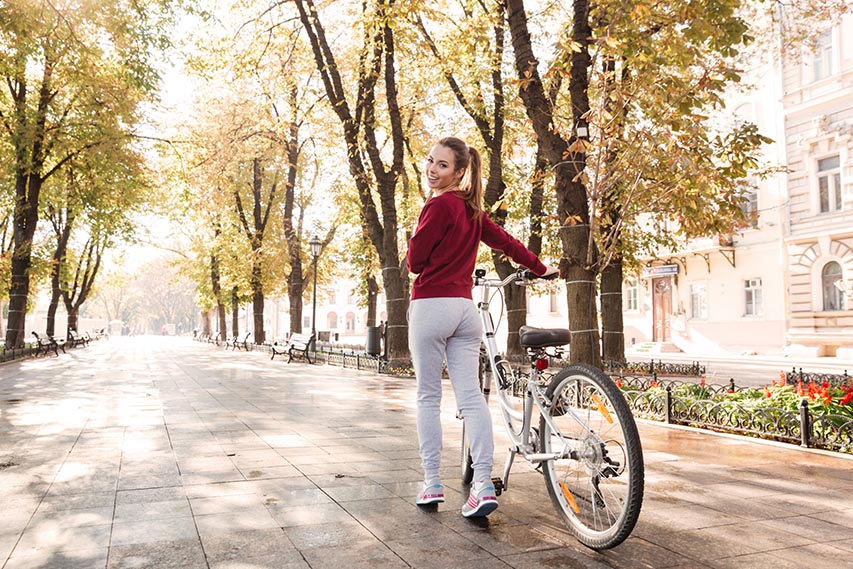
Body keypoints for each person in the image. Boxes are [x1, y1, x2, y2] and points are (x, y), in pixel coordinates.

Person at [406, 136, 559, 518]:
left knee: (428, 397)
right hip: (464, 310)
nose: (432, 169)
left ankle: (431, 483)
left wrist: (416, 233)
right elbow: (507, 244)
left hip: (430, 306)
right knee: (471, 398)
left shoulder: (437, 206)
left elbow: (414, 262)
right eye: (430, 161)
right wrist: (541, 269)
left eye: (442, 165)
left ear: (459, 172)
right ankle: (482, 486)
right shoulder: (473, 212)